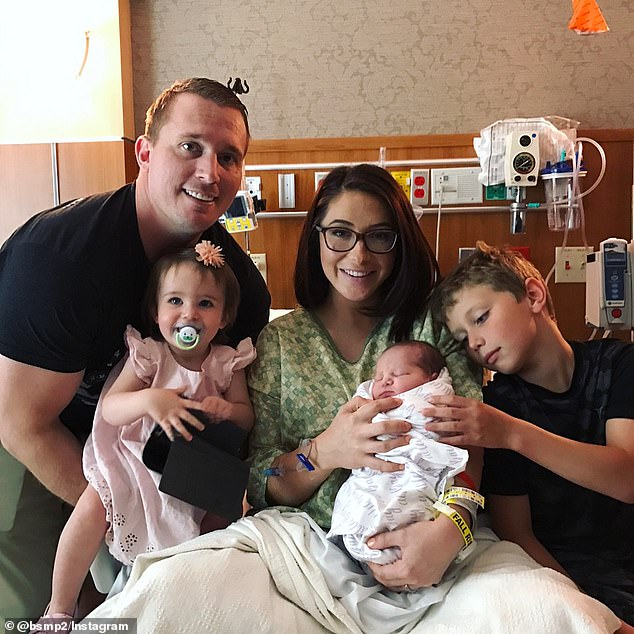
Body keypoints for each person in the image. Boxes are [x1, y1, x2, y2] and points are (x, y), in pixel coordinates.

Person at [85, 167, 621, 634]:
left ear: (400, 242)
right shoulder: (277, 345)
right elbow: (261, 481)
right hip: (303, 549)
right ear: (315, 237)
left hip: (438, 539)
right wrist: (323, 452)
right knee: (172, 594)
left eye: (378, 237)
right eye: (339, 233)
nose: (358, 255)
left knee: (545, 609)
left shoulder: (432, 331)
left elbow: (468, 451)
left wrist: (448, 531)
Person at [0, 77, 270, 619]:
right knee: (34, 607)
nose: (209, 172)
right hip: (28, 433)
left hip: (145, 449)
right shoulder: (59, 263)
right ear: (144, 153)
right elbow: (20, 423)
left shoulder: (236, 291)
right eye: (189, 146)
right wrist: (122, 514)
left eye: (228, 156)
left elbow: (223, 422)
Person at [35, 243, 256, 623]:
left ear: (224, 317)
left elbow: (247, 418)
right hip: (134, 460)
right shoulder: (151, 355)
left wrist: (228, 410)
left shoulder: (226, 363)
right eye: (175, 301)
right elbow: (112, 407)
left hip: (192, 469)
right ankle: (59, 608)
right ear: (155, 311)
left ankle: (185, 596)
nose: (189, 313)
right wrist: (151, 400)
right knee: (92, 508)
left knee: (221, 518)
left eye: (205, 304)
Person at [426, 241, 634, 627]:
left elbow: (628, 478)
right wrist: (588, 610)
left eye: (481, 317)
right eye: (462, 338)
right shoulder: (498, 409)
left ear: (533, 295)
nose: (474, 342)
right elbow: (516, 532)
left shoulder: (618, 364)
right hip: (567, 573)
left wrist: (513, 434)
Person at [328, 341, 478, 568]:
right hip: (371, 475)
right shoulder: (368, 401)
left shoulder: (432, 398)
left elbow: (457, 434)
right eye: (378, 378)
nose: (385, 381)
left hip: (417, 473)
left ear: (431, 378)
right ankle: (368, 542)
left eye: (399, 374)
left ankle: (404, 543)